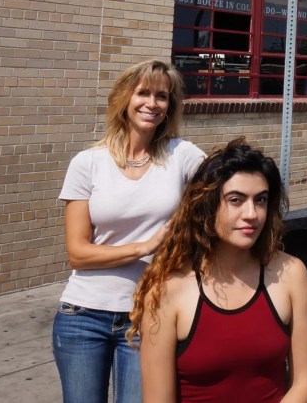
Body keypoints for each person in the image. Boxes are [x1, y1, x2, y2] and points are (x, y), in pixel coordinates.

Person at [52, 59, 205, 403]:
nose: (152, 103)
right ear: (124, 98)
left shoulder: (181, 155)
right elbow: (78, 253)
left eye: (162, 96)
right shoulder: (87, 163)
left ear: (170, 107)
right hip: (82, 316)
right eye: (143, 93)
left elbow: (224, 187)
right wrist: (146, 246)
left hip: (149, 314)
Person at [130, 139, 307, 403]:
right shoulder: (166, 289)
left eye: (261, 200)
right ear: (207, 206)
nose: (252, 213)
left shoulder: (291, 273)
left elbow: (306, 381)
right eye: (235, 200)